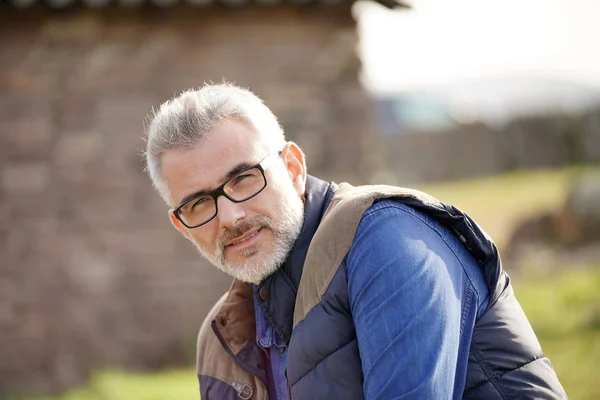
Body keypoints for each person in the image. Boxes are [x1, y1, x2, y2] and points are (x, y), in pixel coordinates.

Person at [144, 83, 566, 399]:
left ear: (292, 168)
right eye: (199, 203)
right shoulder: (221, 341)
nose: (231, 216)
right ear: (182, 225)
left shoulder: (384, 237)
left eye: (243, 178)